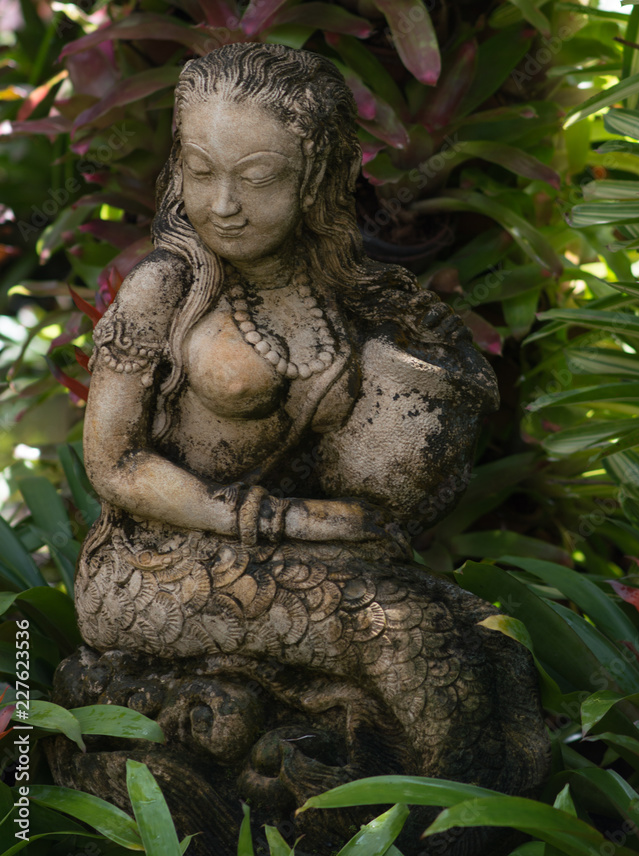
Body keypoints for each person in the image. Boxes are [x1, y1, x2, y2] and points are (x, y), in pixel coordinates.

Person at [75, 43, 547, 798]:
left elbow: (380, 469)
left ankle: (497, 816)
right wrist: (285, 521)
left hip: (301, 554)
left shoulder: (343, 297)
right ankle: (453, 826)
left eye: (257, 177)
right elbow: (114, 466)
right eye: (201, 170)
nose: (223, 203)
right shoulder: (164, 289)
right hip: (147, 566)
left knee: (483, 636)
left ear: (318, 176)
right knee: (395, 629)